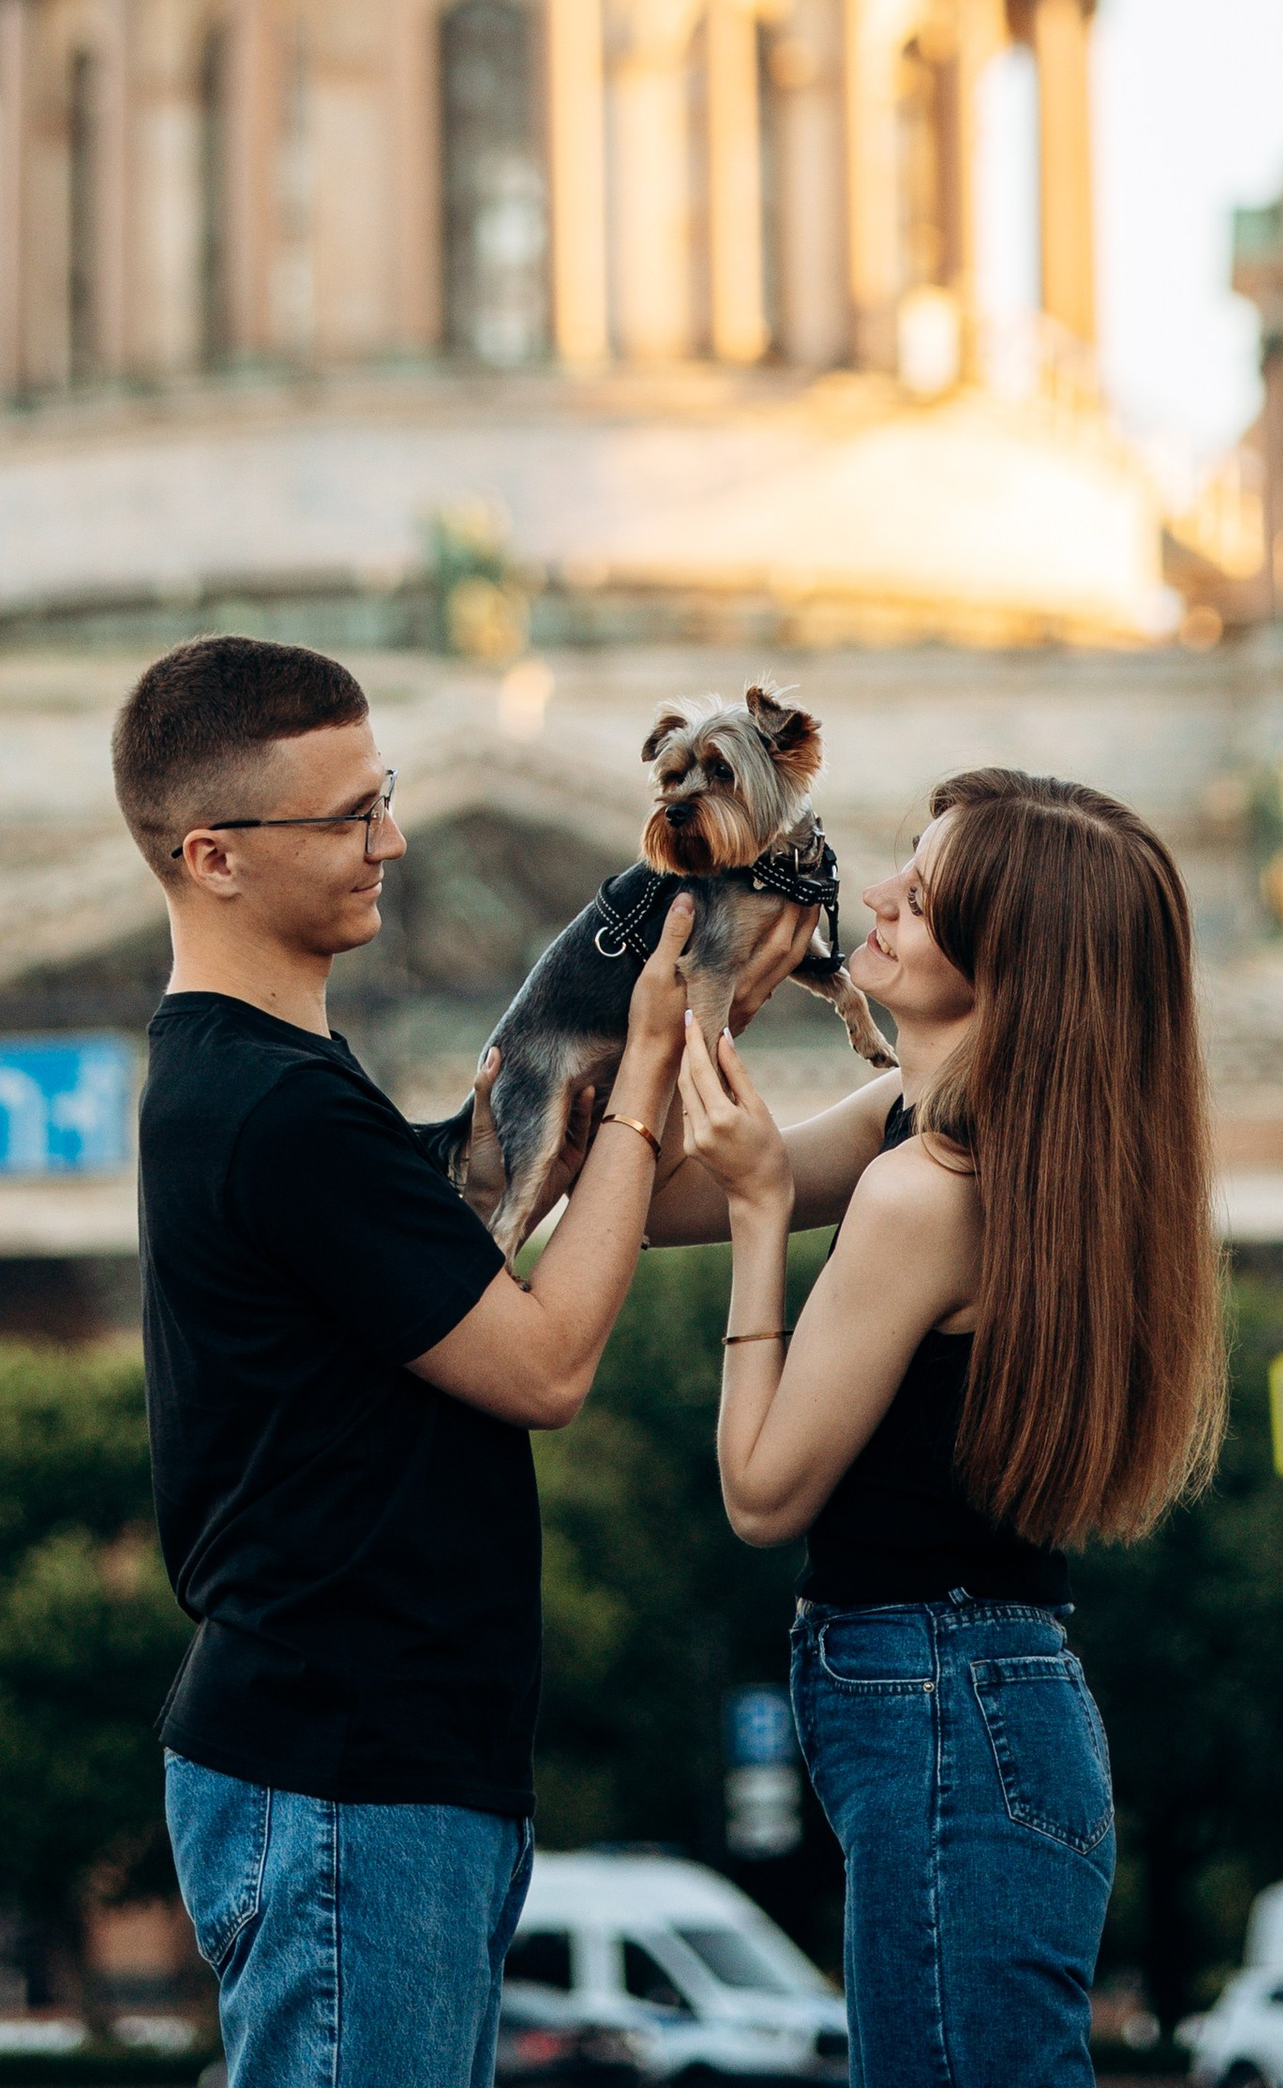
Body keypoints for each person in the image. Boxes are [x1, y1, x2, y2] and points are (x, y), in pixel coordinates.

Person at [117, 634, 809, 2088]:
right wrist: (643, 1066)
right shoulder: (280, 1114)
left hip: (376, 1770)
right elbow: (546, 1366)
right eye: (347, 817)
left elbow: (510, 1227)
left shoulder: (276, 1088)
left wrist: (894, 1121)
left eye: (385, 796)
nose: (392, 842)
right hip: (346, 1774)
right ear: (214, 857)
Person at [664, 767, 1225, 2088]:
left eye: (921, 899)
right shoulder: (937, 1130)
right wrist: (693, 1012)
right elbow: (647, 1207)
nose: (874, 896)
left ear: (1008, 965)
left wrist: (762, 1220)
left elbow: (760, 1493)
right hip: (975, 1700)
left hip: (944, 1702)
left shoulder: (929, 1189)